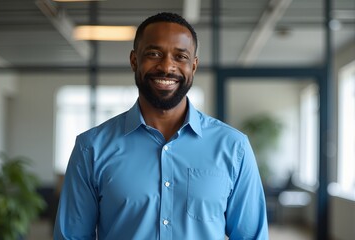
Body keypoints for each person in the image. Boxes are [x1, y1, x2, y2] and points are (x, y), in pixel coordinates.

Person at [53, 12, 268, 240]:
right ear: (134, 60)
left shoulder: (234, 148)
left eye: (180, 56)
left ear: (193, 66)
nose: (166, 66)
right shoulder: (92, 148)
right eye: (154, 54)